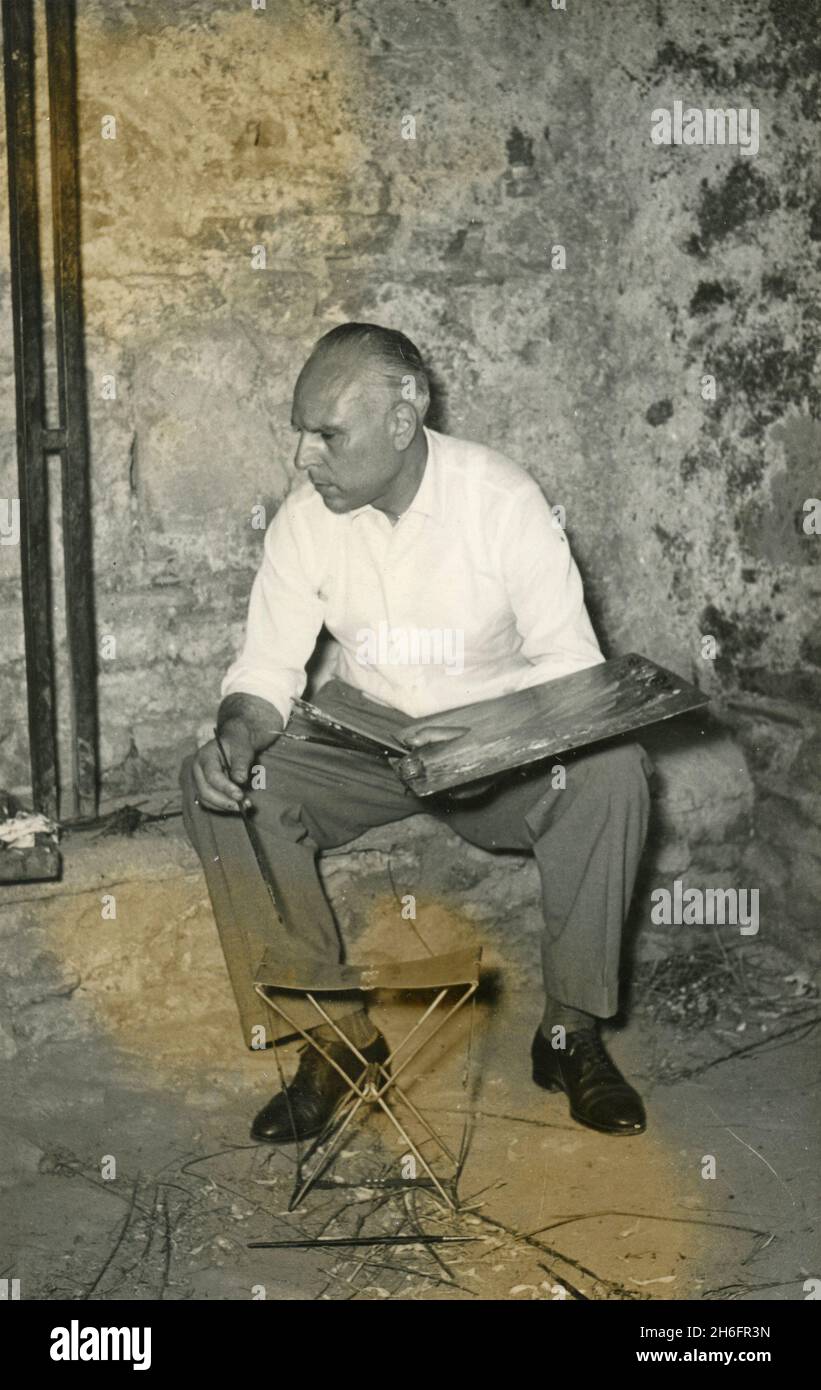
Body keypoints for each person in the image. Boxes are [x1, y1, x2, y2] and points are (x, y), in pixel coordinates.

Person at [180, 322, 653, 1144]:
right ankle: (337, 1044)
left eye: (326, 434)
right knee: (220, 786)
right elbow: (263, 678)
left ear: (403, 421)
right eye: (300, 432)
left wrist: (489, 750)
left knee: (612, 769)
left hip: (502, 735)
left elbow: (575, 680)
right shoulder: (305, 521)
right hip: (364, 735)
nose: (303, 457)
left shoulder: (501, 502)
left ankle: (568, 1032)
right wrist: (235, 737)